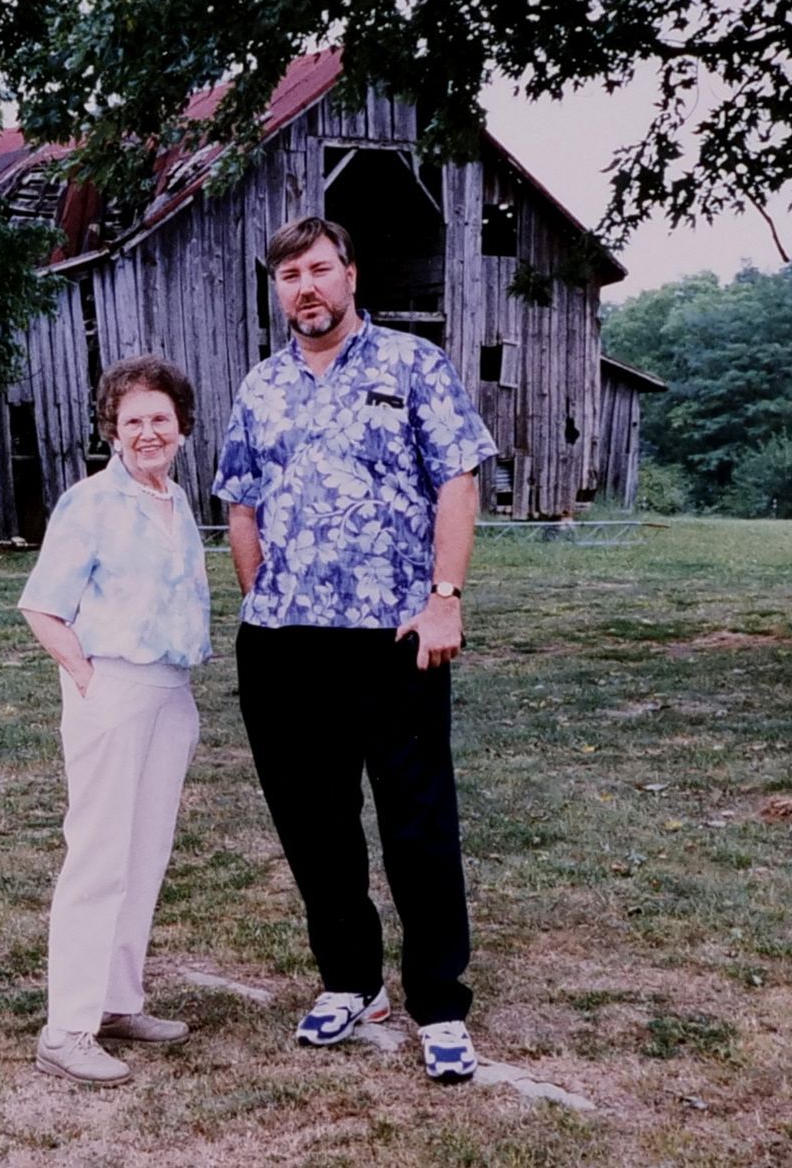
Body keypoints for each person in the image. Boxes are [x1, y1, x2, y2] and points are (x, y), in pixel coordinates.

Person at [211, 217, 497, 1083]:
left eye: (319, 269)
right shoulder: (261, 386)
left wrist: (444, 600)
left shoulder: (412, 365)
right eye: (289, 275)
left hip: (394, 636)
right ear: (278, 290)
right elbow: (240, 501)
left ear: (351, 275)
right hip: (284, 645)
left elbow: (458, 481)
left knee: (417, 821)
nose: (306, 287)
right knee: (314, 822)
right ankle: (350, 981)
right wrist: (262, 597)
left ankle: (439, 1005)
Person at [18, 354, 213, 1086]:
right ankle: (66, 1029)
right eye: (133, 421)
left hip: (171, 692)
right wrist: (88, 680)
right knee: (99, 857)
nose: (147, 432)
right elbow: (42, 607)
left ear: (182, 426)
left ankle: (116, 1001)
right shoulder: (90, 502)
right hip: (114, 689)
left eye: (160, 418)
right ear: (113, 429)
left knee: (145, 854)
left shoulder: (177, 500)